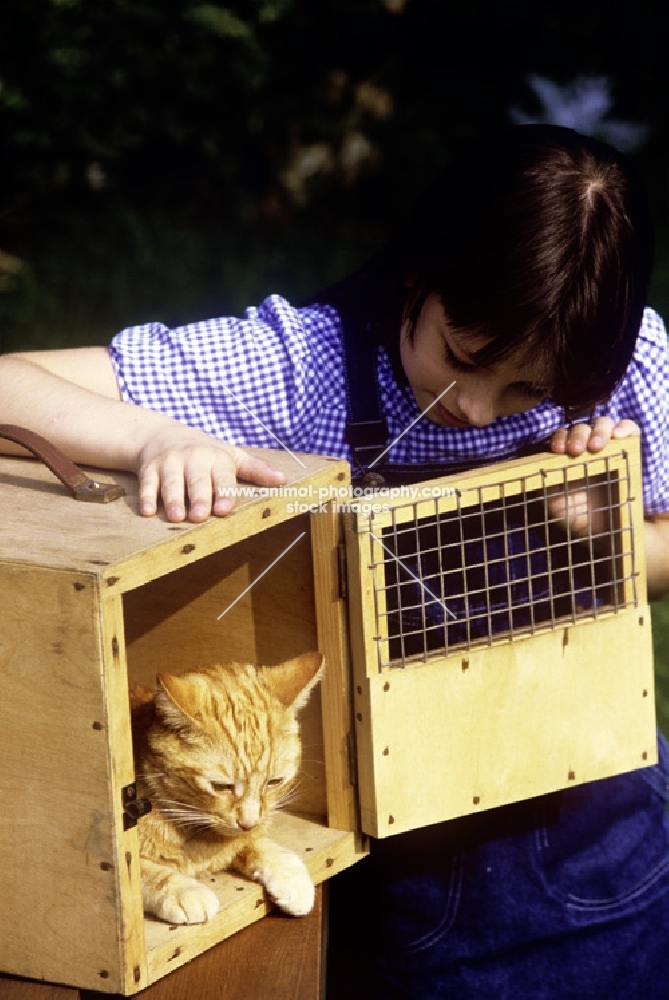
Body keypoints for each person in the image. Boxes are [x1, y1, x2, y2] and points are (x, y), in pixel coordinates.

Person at [1, 124, 669, 997]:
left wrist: (602, 530)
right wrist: (154, 436)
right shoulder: (301, 366)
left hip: (605, 840)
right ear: (416, 276)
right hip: (406, 867)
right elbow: (10, 380)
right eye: (459, 360)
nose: (474, 408)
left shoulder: (624, 362)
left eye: (527, 392)